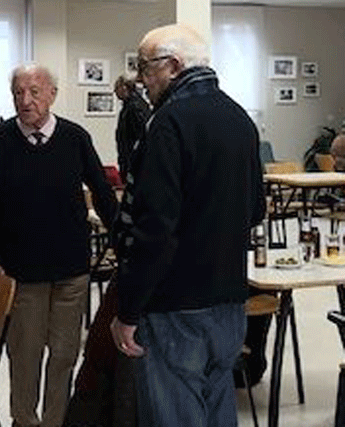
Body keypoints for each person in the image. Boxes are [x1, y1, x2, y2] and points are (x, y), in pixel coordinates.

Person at [109, 24, 266, 426]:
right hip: (230, 304)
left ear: (174, 66)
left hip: (176, 308)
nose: (142, 80)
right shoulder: (239, 119)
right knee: (217, 410)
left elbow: (153, 231)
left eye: (146, 68)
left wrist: (127, 310)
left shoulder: (168, 124)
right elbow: (255, 210)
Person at [0, 63, 118, 427]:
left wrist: (122, 239)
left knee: (65, 353)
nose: (26, 100)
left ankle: (56, 420)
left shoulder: (74, 138)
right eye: (19, 92)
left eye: (35, 91)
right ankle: (24, 419)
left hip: (71, 268)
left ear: (52, 94)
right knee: (25, 353)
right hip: (23, 271)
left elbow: (101, 191)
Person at [113, 75, 151, 180]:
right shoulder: (131, 105)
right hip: (131, 159)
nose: (115, 92)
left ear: (124, 87)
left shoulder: (134, 107)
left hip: (133, 161)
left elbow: (140, 136)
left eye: (116, 88)